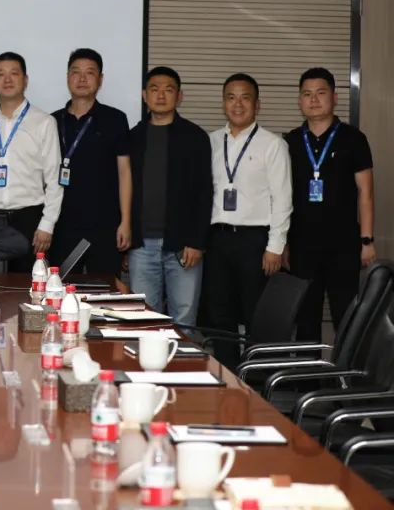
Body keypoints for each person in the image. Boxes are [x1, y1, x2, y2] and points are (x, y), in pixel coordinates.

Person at [203, 73, 292, 368]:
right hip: (217, 239)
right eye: (231, 97)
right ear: (223, 103)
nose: (237, 104)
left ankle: (258, 379)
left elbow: (282, 199)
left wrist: (275, 246)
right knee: (220, 314)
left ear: (257, 104)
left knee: (256, 314)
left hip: (255, 241)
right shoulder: (211, 142)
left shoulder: (273, 144)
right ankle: (227, 374)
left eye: (245, 98)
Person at [284, 68, 375, 342]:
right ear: (299, 101)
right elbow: (281, 197)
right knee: (305, 318)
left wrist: (367, 240)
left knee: (346, 316)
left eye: (321, 93)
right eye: (307, 94)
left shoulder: (353, 138)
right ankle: (307, 370)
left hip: (343, 244)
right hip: (301, 245)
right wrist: (282, 243)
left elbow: (366, 192)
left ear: (335, 97)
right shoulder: (289, 142)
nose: (314, 100)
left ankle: (347, 369)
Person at [126, 67, 212, 326]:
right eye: (154, 89)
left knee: (184, 318)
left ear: (179, 96)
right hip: (141, 246)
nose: (161, 95)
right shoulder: (133, 138)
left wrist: (197, 241)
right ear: (144, 95)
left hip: (183, 245)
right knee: (143, 319)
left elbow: (204, 192)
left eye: (168, 90)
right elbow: (123, 190)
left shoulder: (195, 137)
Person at [49, 48, 131, 276]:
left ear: (100, 79)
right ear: (68, 77)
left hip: (104, 224)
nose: (82, 79)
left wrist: (126, 221)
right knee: (60, 287)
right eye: (76, 72)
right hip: (62, 224)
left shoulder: (115, 119)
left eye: (90, 73)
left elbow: (125, 172)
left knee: (105, 288)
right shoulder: (52, 121)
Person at [0, 52, 63, 273]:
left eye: (14, 74)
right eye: (0, 74)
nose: (7, 80)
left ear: (25, 80)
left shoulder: (44, 122)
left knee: (26, 285)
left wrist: (47, 224)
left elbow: (54, 179)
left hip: (29, 220)